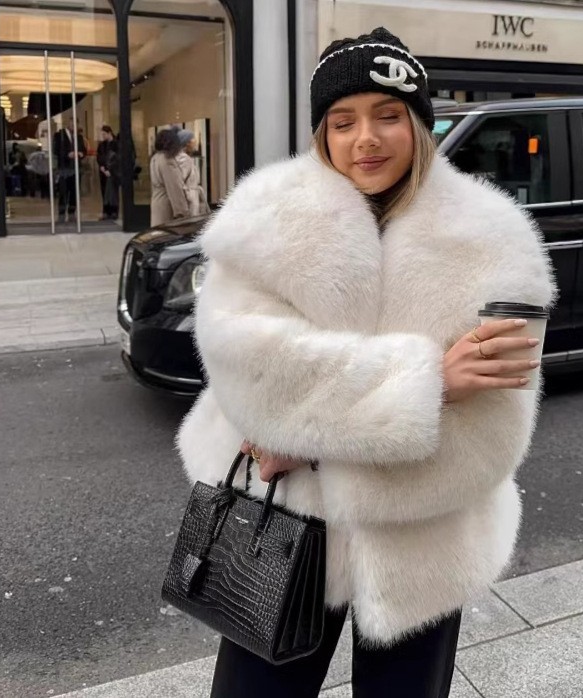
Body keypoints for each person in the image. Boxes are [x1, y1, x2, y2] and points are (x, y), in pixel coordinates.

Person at [177, 27, 555, 698]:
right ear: (322, 132)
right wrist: (427, 384)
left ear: (420, 123)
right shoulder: (270, 215)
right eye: (343, 121)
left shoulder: (492, 239)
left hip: (426, 543)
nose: (366, 139)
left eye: (388, 115)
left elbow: (498, 427)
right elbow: (245, 363)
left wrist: (310, 437)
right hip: (285, 517)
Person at [149, 128, 190, 226]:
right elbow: (174, 187)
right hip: (167, 207)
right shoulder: (167, 161)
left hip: (157, 202)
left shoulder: (155, 158)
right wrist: (183, 212)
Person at [52, 118, 86, 222]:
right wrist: (67, 155)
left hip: (75, 168)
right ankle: (61, 214)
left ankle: (72, 212)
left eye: (75, 125)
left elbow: (83, 150)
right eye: (72, 124)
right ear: (68, 124)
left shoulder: (79, 137)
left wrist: (81, 154)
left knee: (74, 192)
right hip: (64, 168)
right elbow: (56, 150)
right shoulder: (59, 136)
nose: (74, 127)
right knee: (63, 192)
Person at [175, 129, 209, 217]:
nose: (195, 142)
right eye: (193, 139)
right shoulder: (184, 159)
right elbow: (179, 180)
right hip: (190, 199)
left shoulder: (182, 157)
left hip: (190, 197)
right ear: (187, 143)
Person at [97, 126, 118, 220]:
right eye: (102, 134)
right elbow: (99, 157)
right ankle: (105, 211)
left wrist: (111, 170)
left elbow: (117, 159)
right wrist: (102, 166)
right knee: (104, 191)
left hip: (113, 172)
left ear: (109, 133)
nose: (103, 136)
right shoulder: (101, 145)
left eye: (104, 134)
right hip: (103, 172)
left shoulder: (116, 144)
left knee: (113, 192)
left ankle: (114, 211)